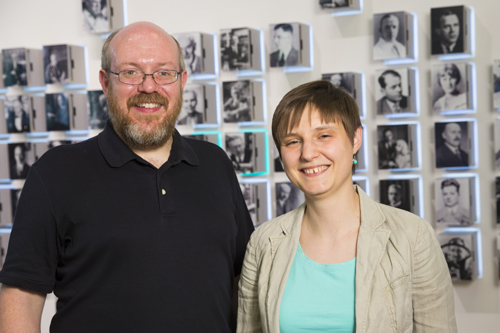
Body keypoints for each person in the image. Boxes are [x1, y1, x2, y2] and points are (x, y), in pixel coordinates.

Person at [0, 22, 254, 333]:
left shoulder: (216, 165)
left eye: (164, 73)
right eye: (131, 73)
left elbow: (242, 281)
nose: (149, 87)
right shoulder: (55, 173)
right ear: (105, 82)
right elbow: (21, 300)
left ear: (182, 81)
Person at [237, 80, 456, 332]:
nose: (308, 153)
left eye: (324, 135)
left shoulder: (412, 237)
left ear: (355, 139)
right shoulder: (263, 244)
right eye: (293, 141)